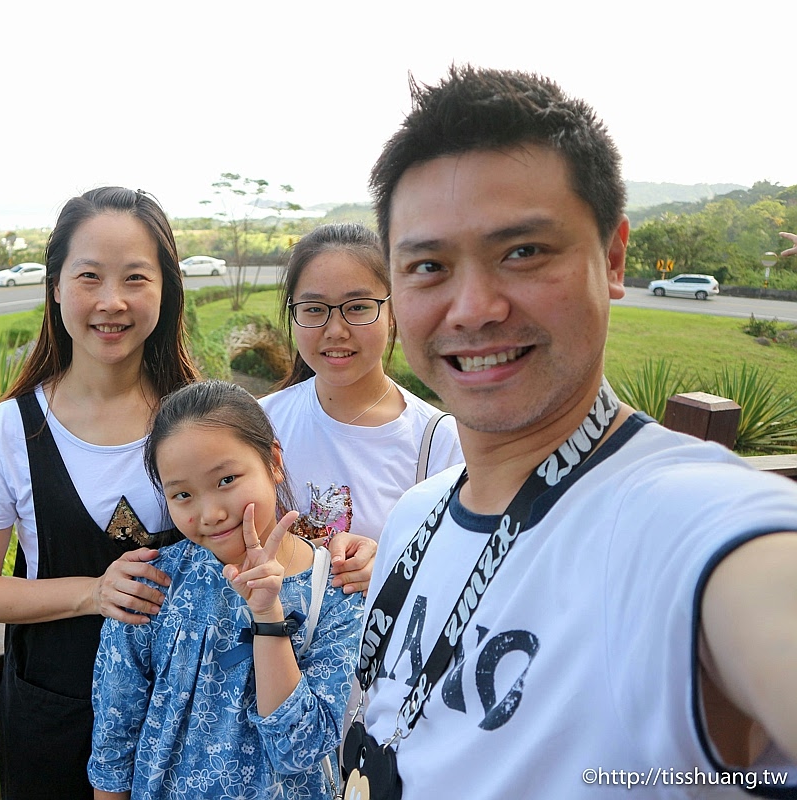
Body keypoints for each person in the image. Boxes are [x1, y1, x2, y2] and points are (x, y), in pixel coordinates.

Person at [345, 66, 797, 799]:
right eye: (429, 265)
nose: (474, 308)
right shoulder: (414, 515)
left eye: (523, 252)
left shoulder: (673, 520)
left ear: (613, 258)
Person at [0, 187, 376, 798]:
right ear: (57, 287)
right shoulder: (7, 432)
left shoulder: (206, 417)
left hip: (211, 736)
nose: (111, 301)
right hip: (59, 713)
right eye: (89, 276)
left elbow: (269, 525)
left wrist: (350, 553)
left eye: (136, 278)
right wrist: (94, 593)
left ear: (165, 290)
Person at [88, 380, 364, 799]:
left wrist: (268, 617)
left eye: (226, 480)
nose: (210, 513)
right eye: (182, 494)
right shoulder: (152, 585)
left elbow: (300, 749)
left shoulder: (336, 588)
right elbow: (113, 743)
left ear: (273, 461)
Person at [260, 222, 463, 544]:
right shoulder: (258, 423)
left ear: (392, 310)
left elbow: (454, 566)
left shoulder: (439, 443)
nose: (336, 330)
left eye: (357, 307)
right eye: (314, 309)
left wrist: (382, 565)